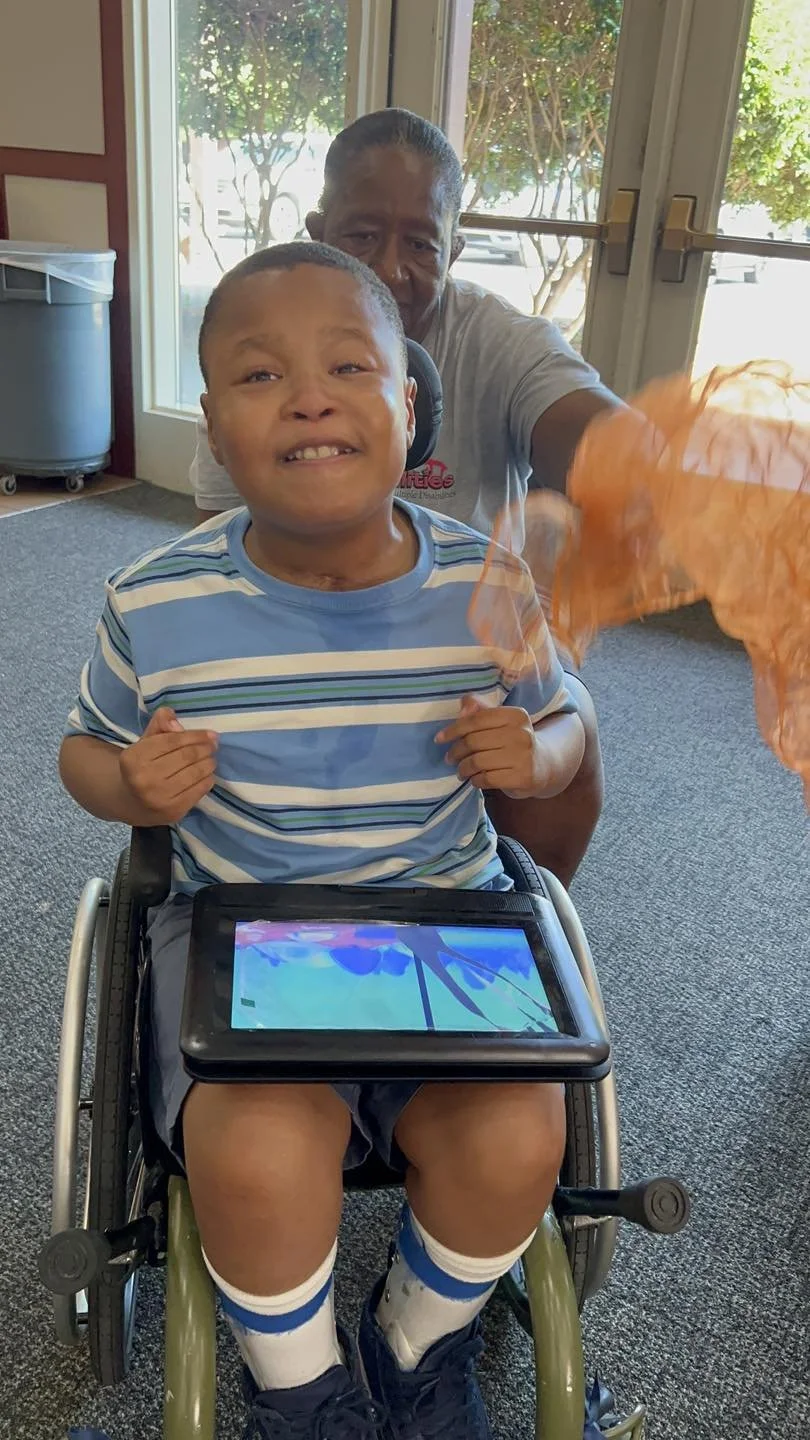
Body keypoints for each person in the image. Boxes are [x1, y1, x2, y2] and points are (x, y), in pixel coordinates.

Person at [60, 243, 587, 1440]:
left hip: (443, 924)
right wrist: (132, 782)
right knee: (249, 1158)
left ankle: (412, 1345)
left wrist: (540, 754)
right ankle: (302, 1394)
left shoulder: (485, 584)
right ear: (213, 426)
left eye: (350, 364)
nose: (307, 394)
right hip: (252, 932)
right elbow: (80, 750)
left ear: (410, 404)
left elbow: (563, 712)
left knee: (520, 1134)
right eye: (258, 376)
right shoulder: (155, 600)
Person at [190, 108, 620, 888]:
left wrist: (622, 475)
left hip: (472, 628)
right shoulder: (261, 347)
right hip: (297, 610)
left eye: (421, 243)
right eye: (361, 236)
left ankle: (524, 914)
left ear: (454, 247)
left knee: (568, 720)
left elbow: (595, 434)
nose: (392, 268)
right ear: (320, 228)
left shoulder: (504, 341)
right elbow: (216, 549)